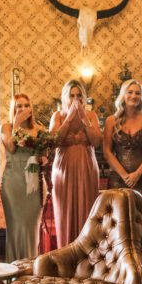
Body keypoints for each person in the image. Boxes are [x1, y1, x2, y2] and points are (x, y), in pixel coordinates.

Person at [49, 80, 101, 247]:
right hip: (64, 169)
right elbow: (54, 141)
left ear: (84, 98)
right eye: (72, 96)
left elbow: (96, 141)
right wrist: (70, 118)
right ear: (65, 97)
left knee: (87, 210)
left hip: (87, 167)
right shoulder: (57, 116)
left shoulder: (91, 115)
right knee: (65, 212)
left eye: (79, 95)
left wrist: (84, 118)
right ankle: (65, 252)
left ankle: (88, 256)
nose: (76, 99)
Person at [103, 79, 142, 220]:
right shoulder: (111, 120)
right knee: (118, 220)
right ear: (123, 95)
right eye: (130, 92)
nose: (134, 96)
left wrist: (137, 174)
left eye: (137, 93)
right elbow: (107, 152)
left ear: (141, 97)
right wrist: (124, 175)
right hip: (118, 179)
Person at [0, 93, 44, 263]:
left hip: (34, 183)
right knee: (15, 228)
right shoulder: (6, 127)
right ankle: (14, 269)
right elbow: (11, 147)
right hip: (13, 183)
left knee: (31, 228)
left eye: (26, 105)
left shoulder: (39, 130)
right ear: (13, 109)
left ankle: (30, 268)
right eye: (19, 106)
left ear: (31, 108)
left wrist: (43, 157)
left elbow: (44, 154)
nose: (23, 109)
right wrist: (17, 123)